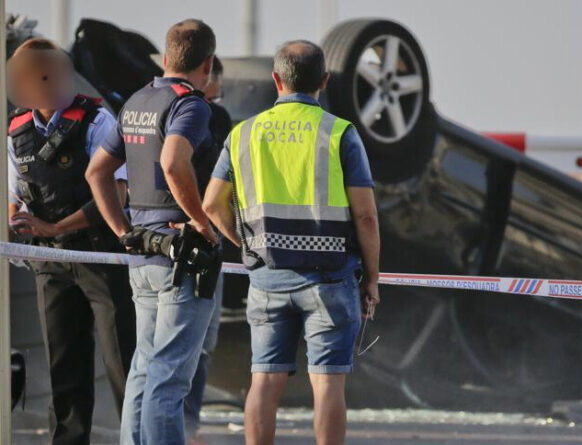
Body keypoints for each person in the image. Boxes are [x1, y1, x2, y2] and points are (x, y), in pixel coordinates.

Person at [202, 40, 381, 445]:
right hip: (330, 280)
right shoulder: (340, 134)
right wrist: (372, 278)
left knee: (264, 380)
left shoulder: (243, 133)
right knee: (328, 382)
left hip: (267, 279)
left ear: (275, 79)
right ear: (325, 80)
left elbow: (211, 203)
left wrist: (248, 246)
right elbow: (366, 216)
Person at [84, 19, 221, 445]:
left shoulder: (138, 100)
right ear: (208, 64)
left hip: (143, 255)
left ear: (165, 57)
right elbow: (173, 162)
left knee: (144, 370)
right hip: (182, 260)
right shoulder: (191, 105)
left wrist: (123, 230)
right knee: (169, 378)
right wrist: (201, 221)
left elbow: (96, 172)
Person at [6, 38, 135, 445]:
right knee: (64, 369)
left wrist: (54, 228)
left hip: (100, 256)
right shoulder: (16, 131)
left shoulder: (97, 122)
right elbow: (14, 195)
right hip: (51, 265)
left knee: (122, 364)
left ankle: (138, 437)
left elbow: (117, 194)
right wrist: (15, 227)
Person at [184, 55, 231, 445]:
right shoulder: (205, 116)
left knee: (201, 342)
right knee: (194, 343)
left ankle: (188, 426)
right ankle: (183, 428)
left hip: (198, 239)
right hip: (201, 238)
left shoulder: (216, 117)